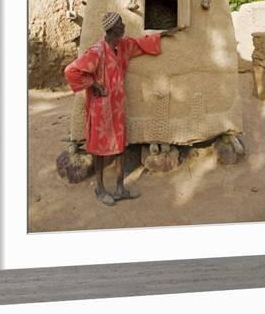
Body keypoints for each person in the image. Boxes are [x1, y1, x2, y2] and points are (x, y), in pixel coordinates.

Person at [64, 11, 179, 206]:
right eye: (121, 24)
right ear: (112, 29)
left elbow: (140, 44)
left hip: (117, 107)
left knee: (120, 147)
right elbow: (71, 71)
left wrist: (162, 35)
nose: (124, 26)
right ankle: (100, 188)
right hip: (100, 108)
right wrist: (93, 83)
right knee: (99, 151)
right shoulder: (97, 51)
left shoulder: (121, 46)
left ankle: (120, 187)